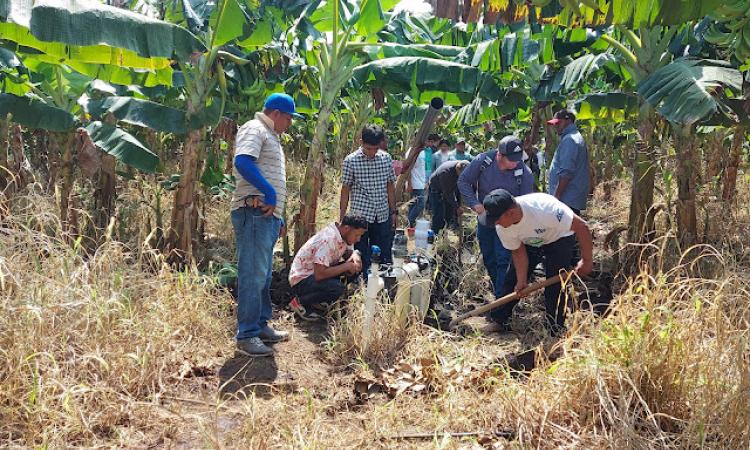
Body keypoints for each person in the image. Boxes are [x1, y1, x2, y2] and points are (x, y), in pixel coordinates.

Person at [231, 93, 301, 357]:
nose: (290, 123)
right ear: (277, 114)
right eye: (289, 117)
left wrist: (278, 213)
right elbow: (242, 162)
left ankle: (260, 325)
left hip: (266, 216)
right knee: (252, 272)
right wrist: (269, 193)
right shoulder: (255, 128)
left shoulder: (271, 135)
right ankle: (247, 334)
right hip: (254, 213)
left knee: (263, 273)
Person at [478, 189, 594, 335]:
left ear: (511, 213)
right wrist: (521, 281)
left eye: (497, 218)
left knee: (555, 287)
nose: (496, 223)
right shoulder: (503, 227)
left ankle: (555, 329)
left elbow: (582, 226)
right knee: (511, 281)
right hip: (531, 241)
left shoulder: (546, 210)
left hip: (559, 238)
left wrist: (587, 260)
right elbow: (518, 252)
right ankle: (500, 320)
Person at [458, 136, 535, 299]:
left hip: (508, 224)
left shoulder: (524, 174)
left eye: (518, 159)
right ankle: (498, 291)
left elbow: (527, 202)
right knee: (489, 258)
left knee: (503, 260)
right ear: (499, 156)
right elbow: (463, 181)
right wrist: (475, 204)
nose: (516, 163)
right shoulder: (483, 161)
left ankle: (500, 300)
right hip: (486, 219)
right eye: (511, 160)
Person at [340, 124, 397, 272]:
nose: (372, 152)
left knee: (383, 252)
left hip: (382, 214)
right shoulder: (351, 161)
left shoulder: (386, 159)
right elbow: (345, 189)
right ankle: (363, 284)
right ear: (361, 142)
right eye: (368, 149)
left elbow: (390, 186)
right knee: (362, 253)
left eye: (375, 149)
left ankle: (382, 281)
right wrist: (342, 217)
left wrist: (393, 212)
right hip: (361, 216)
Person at [287, 215, 367, 320]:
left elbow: (349, 253)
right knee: (337, 288)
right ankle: (299, 301)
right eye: (356, 235)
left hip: (317, 274)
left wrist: (355, 255)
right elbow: (319, 275)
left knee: (356, 266)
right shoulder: (328, 239)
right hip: (302, 279)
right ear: (347, 228)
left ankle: (318, 300)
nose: (358, 239)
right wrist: (346, 266)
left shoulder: (343, 235)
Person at [546, 110, 590, 215]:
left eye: (558, 123)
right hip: (569, 199)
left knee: (566, 230)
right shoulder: (573, 137)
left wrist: (556, 198)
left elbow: (566, 172)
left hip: (566, 200)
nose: (555, 126)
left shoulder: (570, 140)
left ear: (568, 121)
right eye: (554, 124)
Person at [429, 160, 469, 232]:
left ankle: (444, 232)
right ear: (458, 169)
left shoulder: (462, 165)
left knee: (449, 213)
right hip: (436, 190)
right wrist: (457, 207)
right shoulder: (446, 172)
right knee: (439, 214)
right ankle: (435, 235)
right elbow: (448, 193)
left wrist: (459, 204)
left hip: (449, 189)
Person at [405, 145, 427, 228]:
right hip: (414, 183)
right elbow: (408, 168)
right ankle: (409, 223)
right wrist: (409, 183)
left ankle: (409, 225)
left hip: (420, 182)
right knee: (421, 203)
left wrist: (425, 182)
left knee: (413, 204)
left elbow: (422, 168)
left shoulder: (423, 152)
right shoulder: (411, 152)